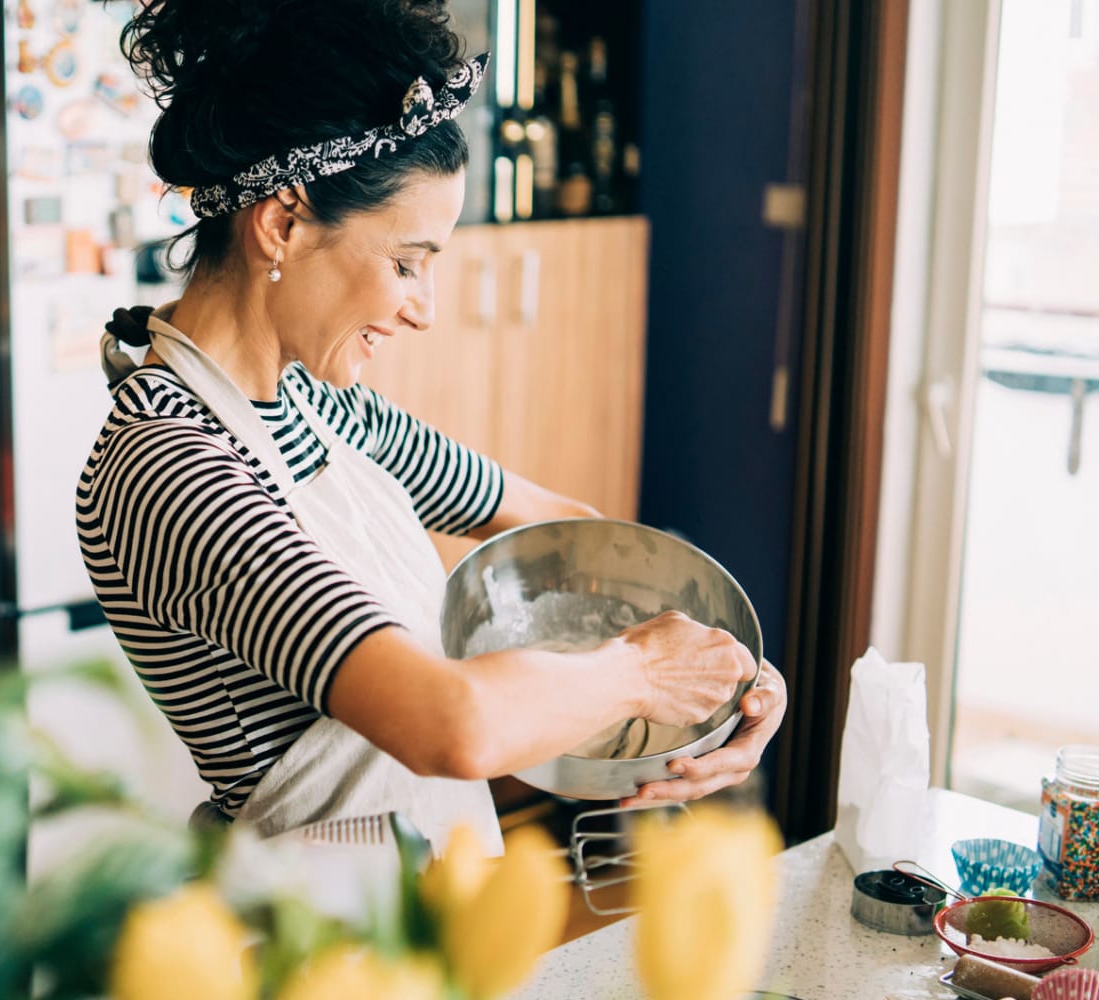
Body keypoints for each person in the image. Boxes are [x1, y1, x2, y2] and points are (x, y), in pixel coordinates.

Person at [76, 0, 788, 850]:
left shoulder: (315, 402)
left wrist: (726, 673)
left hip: (429, 902)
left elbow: (573, 536)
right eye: (407, 263)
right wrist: (642, 673)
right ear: (283, 223)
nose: (424, 310)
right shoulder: (168, 466)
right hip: (309, 937)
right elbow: (450, 724)